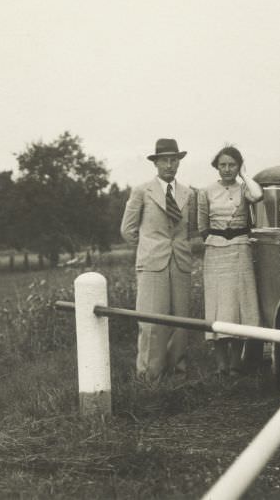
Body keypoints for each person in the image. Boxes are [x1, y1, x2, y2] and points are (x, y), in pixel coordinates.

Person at [120, 138, 196, 382]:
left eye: (174, 160)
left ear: (179, 162)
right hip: (152, 264)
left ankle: (177, 374)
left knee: (180, 321)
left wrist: (178, 248)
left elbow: (190, 228)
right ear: (156, 163)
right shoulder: (142, 191)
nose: (170, 165)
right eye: (165, 160)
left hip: (181, 262)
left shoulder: (188, 193)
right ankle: (150, 377)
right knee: (151, 322)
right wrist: (150, 247)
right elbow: (128, 230)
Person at [198, 145, 263, 376]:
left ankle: (236, 363)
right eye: (223, 165)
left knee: (238, 306)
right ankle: (221, 365)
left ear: (238, 166)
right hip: (216, 252)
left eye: (232, 165)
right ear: (216, 166)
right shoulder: (206, 192)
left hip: (240, 250)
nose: (227, 169)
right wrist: (217, 240)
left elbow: (258, 195)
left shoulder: (245, 189)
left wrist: (244, 175)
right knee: (218, 306)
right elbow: (202, 226)